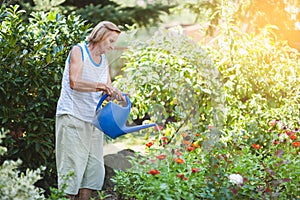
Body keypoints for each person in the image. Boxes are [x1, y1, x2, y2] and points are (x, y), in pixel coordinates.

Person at [55, 21, 125, 200]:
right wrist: (101, 86)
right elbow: (75, 82)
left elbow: (106, 89)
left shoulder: (104, 61)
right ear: (100, 36)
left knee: (92, 172)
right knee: (71, 171)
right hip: (73, 117)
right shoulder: (79, 51)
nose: (112, 46)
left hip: (93, 121)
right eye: (110, 41)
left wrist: (114, 94)